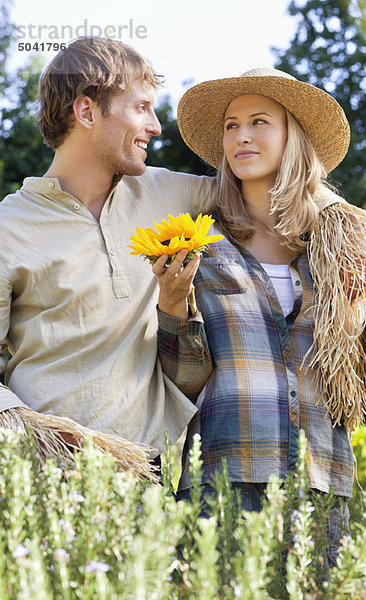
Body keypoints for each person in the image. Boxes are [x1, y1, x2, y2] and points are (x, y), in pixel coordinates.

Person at [153, 68, 366, 562]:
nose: (241, 136)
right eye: (230, 125)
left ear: (293, 137)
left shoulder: (338, 250)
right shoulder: (201, 245)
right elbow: (187, 380)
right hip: (222, 480)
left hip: (322, 483)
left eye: (259, 121)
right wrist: (173, 303)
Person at [0, 37, 216, 471]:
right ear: (86, 112)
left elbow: (263, 191)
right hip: (45, 473)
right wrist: (35, 435)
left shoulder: (170, 191)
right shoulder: (9, 227)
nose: (155, 127)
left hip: (145, 474)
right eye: (141, 108)